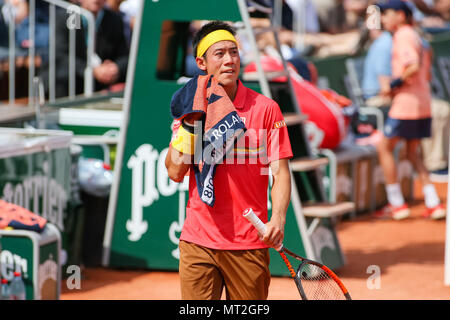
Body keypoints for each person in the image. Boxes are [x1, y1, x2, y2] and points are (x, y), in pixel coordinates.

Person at [165, 21, 293, 300]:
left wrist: (279, 219)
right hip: (198, 242)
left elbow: (280, 172)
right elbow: (175, 170)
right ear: (201, 62)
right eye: (219, 54)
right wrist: (192, 124)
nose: (229, 60)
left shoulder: (266, 109)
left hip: (249, 243)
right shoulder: (191, 108)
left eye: (233, 52)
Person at [375, 0, 446, 220]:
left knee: (384, 148)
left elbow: (412, 66)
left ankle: (396, 203)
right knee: (412, 152)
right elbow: (425, 72)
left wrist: (392, 86)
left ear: (401, 16)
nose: (383, 18)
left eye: (386, 14)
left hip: (406, 104)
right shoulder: (418, 36)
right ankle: (433, 201)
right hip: (422, 101)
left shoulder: (403, 35)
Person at [41, 0, 129, 98]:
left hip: (101, 82)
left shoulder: (113, 19)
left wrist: (115, 68)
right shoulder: (68, 16)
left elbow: (124, 55)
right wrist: (92, 70)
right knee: (62, 77)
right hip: (72, 81)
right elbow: (60, 55)